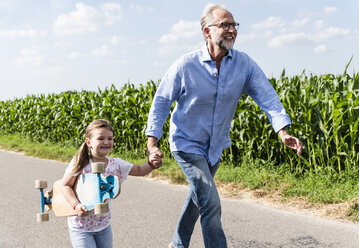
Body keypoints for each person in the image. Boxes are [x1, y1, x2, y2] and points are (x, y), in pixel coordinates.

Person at [146, 3, 303, 248]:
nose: (231, 30)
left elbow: (267, 96)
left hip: (215, 146)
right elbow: (161, 102)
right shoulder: (186, 65)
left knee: (199, 199)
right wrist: (152, 142)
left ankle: (177, 244)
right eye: (225, 25)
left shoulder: (244, 64)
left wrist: (282, 130)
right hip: (187, 144)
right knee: (211, 202)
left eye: (234, 25)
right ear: (208, 31)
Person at [61, 119, 161, 248]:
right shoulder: (80, 162)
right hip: (81, 226)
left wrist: (151, 164)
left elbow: (140, 170)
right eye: (101, 138)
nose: (106, 142)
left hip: (103, 225)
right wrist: (76, 205)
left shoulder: (116, 164)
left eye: (110, 138)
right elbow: (65, 186)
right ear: (88, 142)